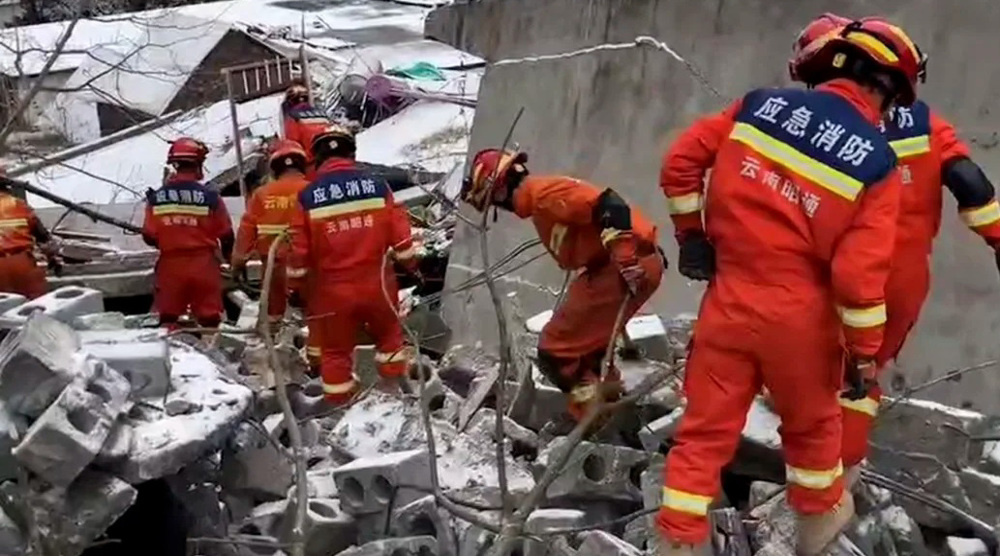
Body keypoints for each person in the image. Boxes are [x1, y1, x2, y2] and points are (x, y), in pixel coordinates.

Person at [656, 19, 923, 556]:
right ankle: (816, 538)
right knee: (813, 432)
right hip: (802, 323)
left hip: (728, 304)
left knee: (703, 435)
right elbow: (856, 277)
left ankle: (677, 542)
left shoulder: (756, 108)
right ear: (889, 91)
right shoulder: (877, 163)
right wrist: (863, 356)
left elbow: (680, 163)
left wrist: (692, 237)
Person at [790, 13, 1000, 485]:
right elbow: (969, 182)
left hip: (831, 271)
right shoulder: (924, 122)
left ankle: (798, 480)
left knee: (806, 368)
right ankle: (840, 478)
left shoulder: (816, 123)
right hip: (902, 279)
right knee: (861, 380)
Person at [460, 150, 665, 421]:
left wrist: (625, 257)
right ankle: (614, 411)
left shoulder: (544, 195)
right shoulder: (540, 199)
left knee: (555, 351)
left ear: (498, 192)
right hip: (626, 264)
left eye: (492, 202)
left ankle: (592, 417)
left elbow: (610, 204)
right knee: (589, 352)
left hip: (621, 266)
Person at [286, 125, 420, 403]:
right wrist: (412, 268)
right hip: (378, 285)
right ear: (352, 153)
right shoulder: (377, 186)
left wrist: (295, 288)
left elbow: (299, 252)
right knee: (390, 338)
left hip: (332, 293)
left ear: (318, 158)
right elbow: (402, 238)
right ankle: (396, 398)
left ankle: (342, 410)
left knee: (335, 351)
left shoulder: (308, 197)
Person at [143, 137, 234, 331]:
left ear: (175, 164)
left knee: (169, 319)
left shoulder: (156, 198)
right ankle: (213, 356)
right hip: (204, 266)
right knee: (210, 321)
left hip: (171, 266)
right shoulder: (210, 198)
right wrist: (230, 261)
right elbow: (226, 235)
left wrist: (172, 236)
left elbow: (149, 236)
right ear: (198, 164)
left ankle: (171, 356)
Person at [231, 139, 310, 327]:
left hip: (273, 270)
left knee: (275, 319)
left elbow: (246, 234)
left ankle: (277, 351)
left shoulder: (261, 194)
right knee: (312, 320)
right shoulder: (314, 191)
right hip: (308, 269)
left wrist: (237, 264)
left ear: (274, 167)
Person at [0, 167, 60, 298]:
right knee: (35, 312)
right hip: (23, 265)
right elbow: (45, 240)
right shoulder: (19, 205)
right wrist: (53, 259)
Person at [281, 83, 331, 180]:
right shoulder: (322, 114)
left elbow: (293, 146)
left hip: (311, 166)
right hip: (329, 161)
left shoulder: (293, 117)